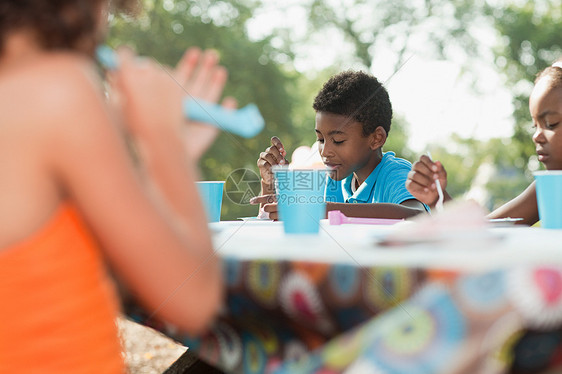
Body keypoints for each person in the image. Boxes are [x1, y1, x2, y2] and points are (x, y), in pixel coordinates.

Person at [0, 1, 233, 372]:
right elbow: (194, 299)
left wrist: (173, 153)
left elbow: (129, 270)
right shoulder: (58, 89)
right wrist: (163, 139)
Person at [252, 70, 427, 219]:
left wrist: (318, 209)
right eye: (321, 140)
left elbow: (417, 215)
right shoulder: (336, 179)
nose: (325, 151)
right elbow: (279, 221)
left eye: (338, 141)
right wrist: (271, 183)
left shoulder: (394, 173)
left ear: (376, 138)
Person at [406, 60, 562, 225]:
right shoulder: (551, 187)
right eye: (534, 126)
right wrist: (438, 197)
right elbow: (486, 230)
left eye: (551, 123)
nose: (536, 136)